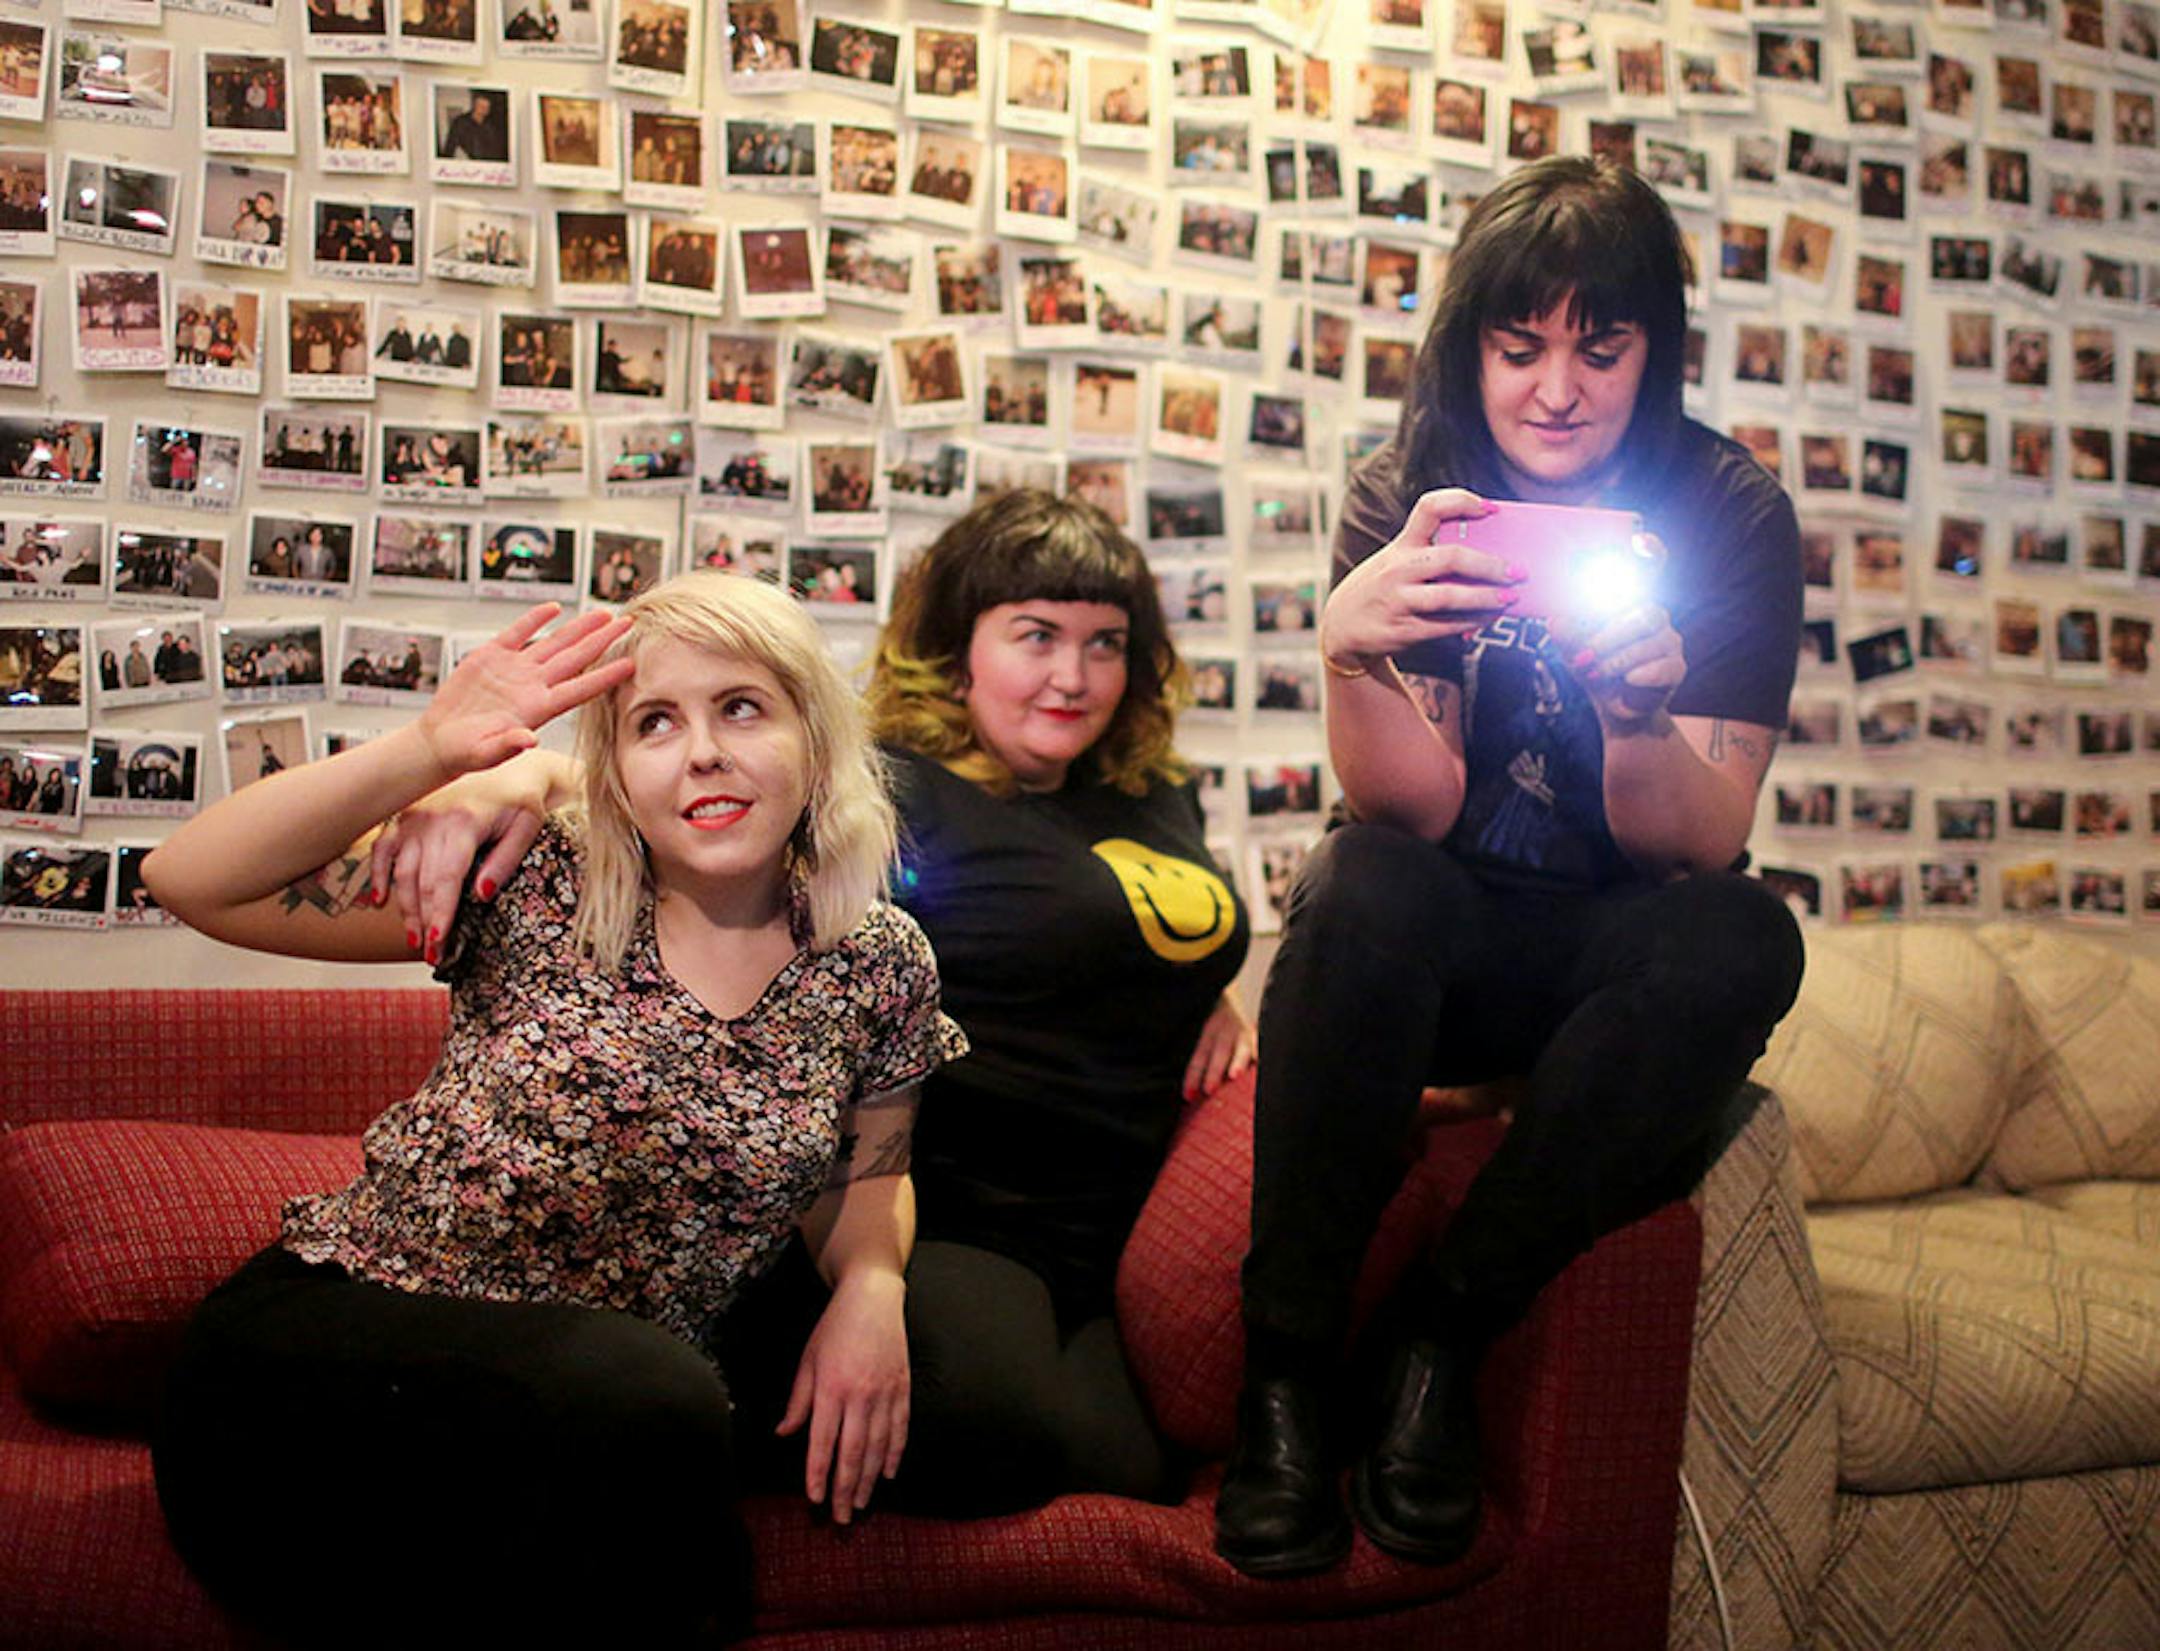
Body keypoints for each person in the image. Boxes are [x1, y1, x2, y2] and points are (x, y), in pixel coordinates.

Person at [369, 491, 1254, 1515]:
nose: (1074, 674)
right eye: (1036, 636)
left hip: (1108, 1209)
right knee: (1006, 1441)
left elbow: (1143, 921)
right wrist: (511, 779)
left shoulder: (1156, 790)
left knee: (1140, 1472)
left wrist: (1213, 992)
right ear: (956, 648)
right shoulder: (897, 793)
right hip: (954, 1201)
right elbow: (695, 803)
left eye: (1106, 643)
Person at [146, 580, 967, 1645]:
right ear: (616, 769)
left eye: (744, 708)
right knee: (655, 1405)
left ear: (814, 735)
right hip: (329, 1370)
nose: (703, 752)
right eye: (655, 723)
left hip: (582, 1418)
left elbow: (866, 1186)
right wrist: (438, 751)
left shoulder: (876, 961)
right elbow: (192, 877)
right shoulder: (537, 880)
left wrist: (871, 1283)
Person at [1212, 156, 1807, 1578]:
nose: (1557, 387)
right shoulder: (1408, 493)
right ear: (1470, 345)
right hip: (1439, 936)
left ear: (1651, 355)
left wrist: (1634, 712)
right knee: (1361, 879)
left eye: (1601, 349)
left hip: (1606, 954)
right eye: (1520, 344)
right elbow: (1407, 808)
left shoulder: (1725, 512)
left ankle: (1444, 1324)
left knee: (1745, 934)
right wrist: (1349, 644)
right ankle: (1285, 1375)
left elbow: (1699, 839)